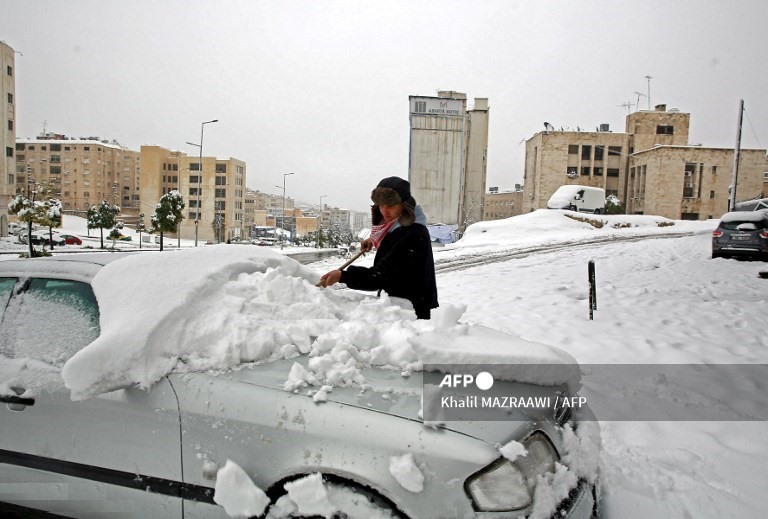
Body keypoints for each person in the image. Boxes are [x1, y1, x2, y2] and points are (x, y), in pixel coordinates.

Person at [319, 176, 438, 319]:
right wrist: (373, 239)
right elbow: (393, 242)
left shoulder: (412, 233)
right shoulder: (397, 226)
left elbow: (381, 276)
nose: (384, 211)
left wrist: (343, 276)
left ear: (404, 205)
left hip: (410, 311)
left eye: (390, 205)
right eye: (381, 205)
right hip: (399, 304)